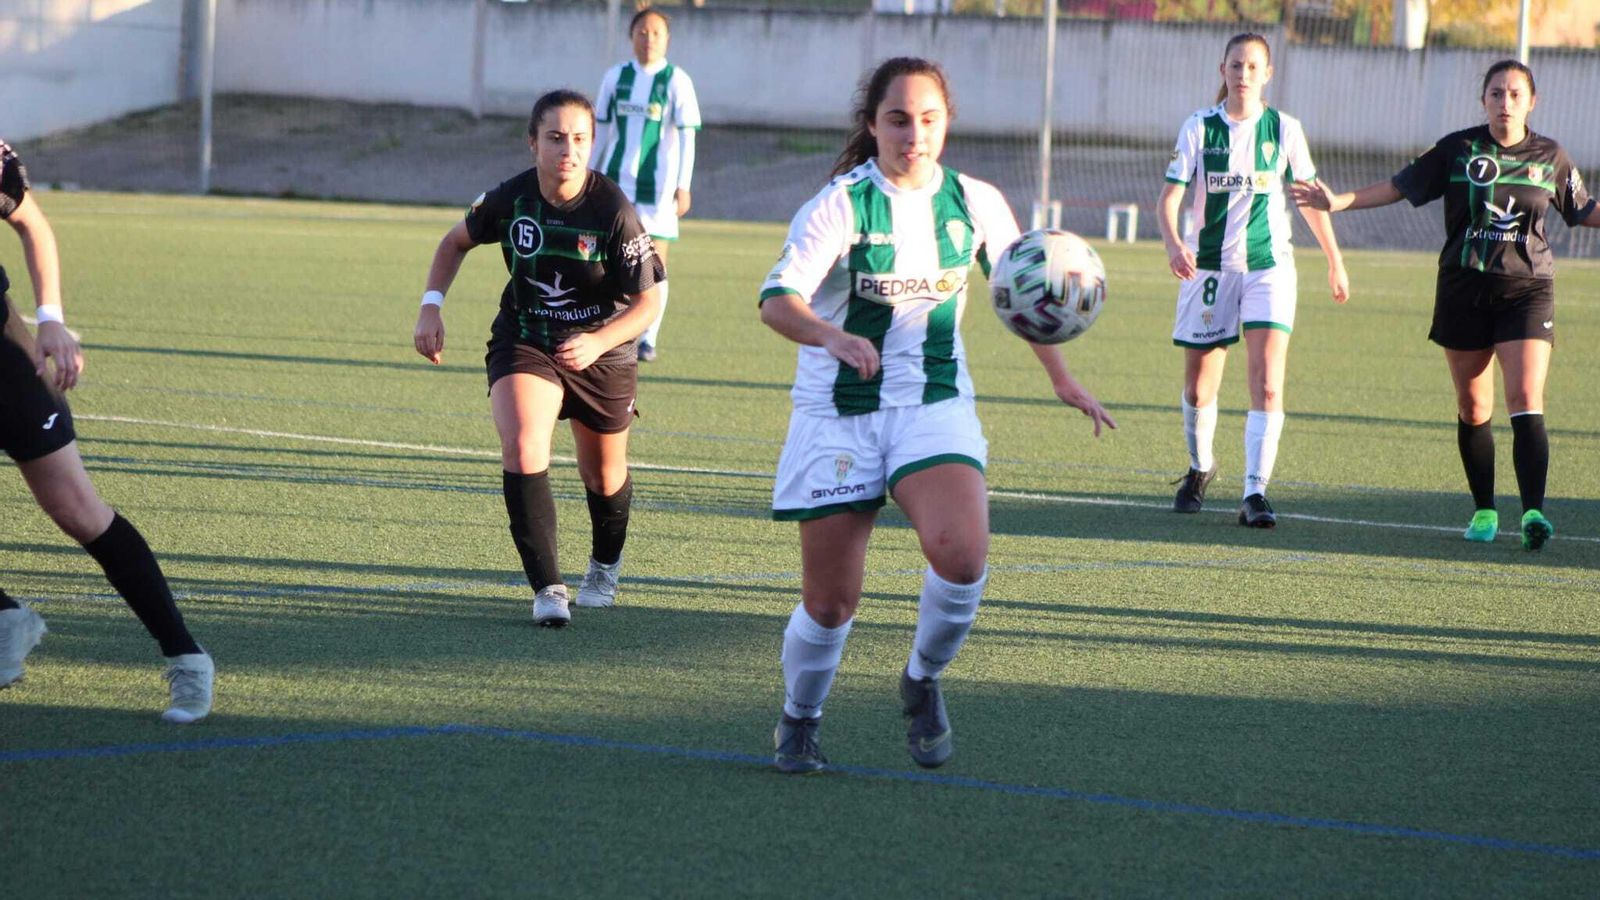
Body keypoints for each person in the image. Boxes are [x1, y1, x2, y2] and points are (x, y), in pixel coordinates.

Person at [757, 58, 1116, 774]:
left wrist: (1062, 377)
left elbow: (1027, 296)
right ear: (872, 125)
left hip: (934, 403)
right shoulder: (840, 205)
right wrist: (832, 334)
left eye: (928, 120)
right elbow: (778, 301)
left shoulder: (977, 202)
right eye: (897, 119)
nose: (913, 134)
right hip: (839, 412)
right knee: (830, 606)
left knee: (962, 553)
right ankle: (800, 719)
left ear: (946, 124)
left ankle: (921, 679)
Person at [1292, 60, 1598, 550]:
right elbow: (1399, 185)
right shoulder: (1460, 149)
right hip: (1463, 288)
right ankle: (1484, 510)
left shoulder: (1550, 155)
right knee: (1473, 406)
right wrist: (1339, 201)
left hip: (1527, 289)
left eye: (1515, 94)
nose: (1506, 102)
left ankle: (1535, 512)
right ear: (1484, 100)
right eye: (1496, 93)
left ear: (1532, 101)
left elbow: (1584, 210)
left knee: (1525, 398)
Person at [413, 91, 663, 626]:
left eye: (579, 139)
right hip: (527, 338)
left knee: (604, 475)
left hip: (603, 347)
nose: (567, 150)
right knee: (526, 445)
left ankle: (604, 566)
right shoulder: (511, 199)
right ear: (533, 143)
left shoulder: (614, 211)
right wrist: (430, 307)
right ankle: (549, 589)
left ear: (592, 144)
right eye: (554, 138)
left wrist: (597, 342)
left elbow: (649, 302)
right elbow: (453, 242)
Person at [0, 140, 214, 722]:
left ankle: (187, 659)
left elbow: (31, 223)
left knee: (77, 511)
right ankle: (5, 620)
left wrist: (52, 320)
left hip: (4, 360)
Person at [1157, 33, 1349, 528]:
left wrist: (1334, 259)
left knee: (1266, 384)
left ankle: (1255, 493)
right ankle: (1200, 469)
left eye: (1253, 66)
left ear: (1268, 74)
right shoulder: (1199, 129)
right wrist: (1174, 243)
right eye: (1236, 64)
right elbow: (1170, 199)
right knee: (1200, 390)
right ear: (1223, 69)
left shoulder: (1284, 129)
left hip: (1270, 266)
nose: (1243, 73)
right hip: (1210, 268)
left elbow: (1308, 200)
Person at [593, 6, 701, 363]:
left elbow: (687, 138)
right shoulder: (615, 77)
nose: (648, 39)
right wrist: (587, 176)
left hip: (658, 189)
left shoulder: (677, 81)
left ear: (667, 40)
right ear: (631, 37)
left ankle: (647, 338)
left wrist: (683, 186)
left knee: (652, 262)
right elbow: (601, 132)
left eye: (656, 33)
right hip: (615, 183)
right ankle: (608, 326)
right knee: (607, 259)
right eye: (642, 32)